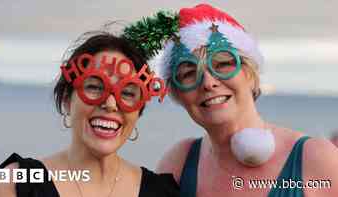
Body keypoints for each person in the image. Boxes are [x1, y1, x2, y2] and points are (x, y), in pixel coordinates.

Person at [128, 4, 338, 197]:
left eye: (222, 65)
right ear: (178, 94)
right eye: (189, 73)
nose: (208, 83)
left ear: (248, 72)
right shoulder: (179, 162)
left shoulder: (315, 158)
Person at [0, 31, 178, 197]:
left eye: (127, 93)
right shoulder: (16, 182)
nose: (111, 104)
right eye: (94, 87)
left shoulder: (161, 192)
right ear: (66, 99)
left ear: (138, 111)